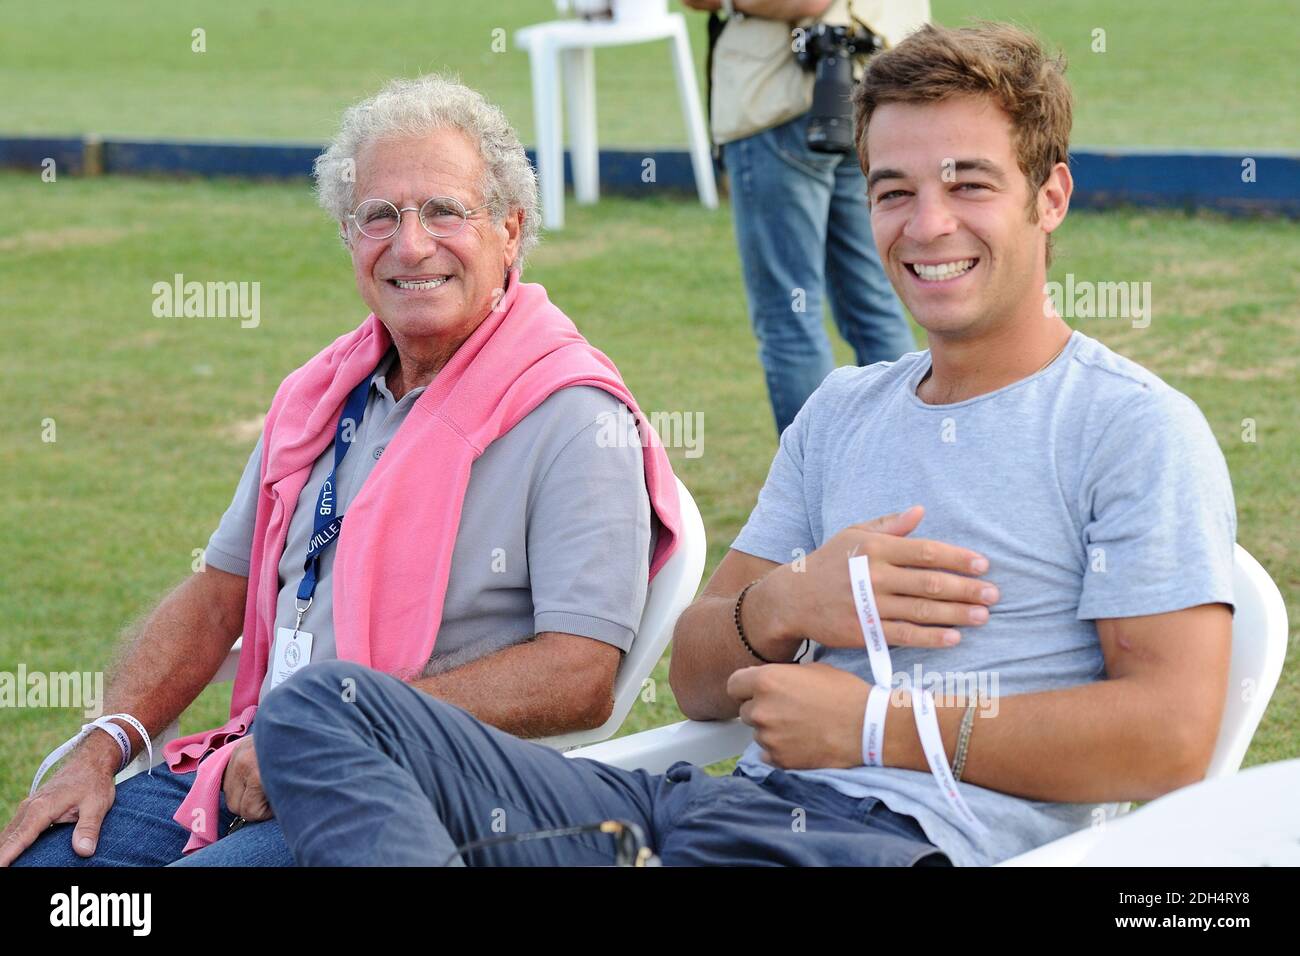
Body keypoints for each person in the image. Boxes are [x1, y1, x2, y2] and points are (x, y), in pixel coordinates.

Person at [250, 23, 1237, 867]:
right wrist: (791, 599)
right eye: (892, 191)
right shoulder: (843, 411)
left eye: (967, 183)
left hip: (883, 845)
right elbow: (695, 669)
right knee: (319, 707)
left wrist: (869, 726)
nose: (926, 224)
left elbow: (1169, 733)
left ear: (1049, 196)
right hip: (705, 817)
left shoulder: (1129, 428)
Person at [2, 74, 680, 868]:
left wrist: (333, 730)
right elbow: (219, 591)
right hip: (247, 766)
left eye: (445, 211)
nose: (411, 244)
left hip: (417, 797)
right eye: (380, 216)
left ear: (509, 231)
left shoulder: (575, 416)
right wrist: (106, 740)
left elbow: (580, 674)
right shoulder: (323, 394)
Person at [683, 0, 926, 434]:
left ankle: (817, 487)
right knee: (872, 300)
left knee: (791, 315)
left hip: (783, 100)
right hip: (880, 87)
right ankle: (909, 466)